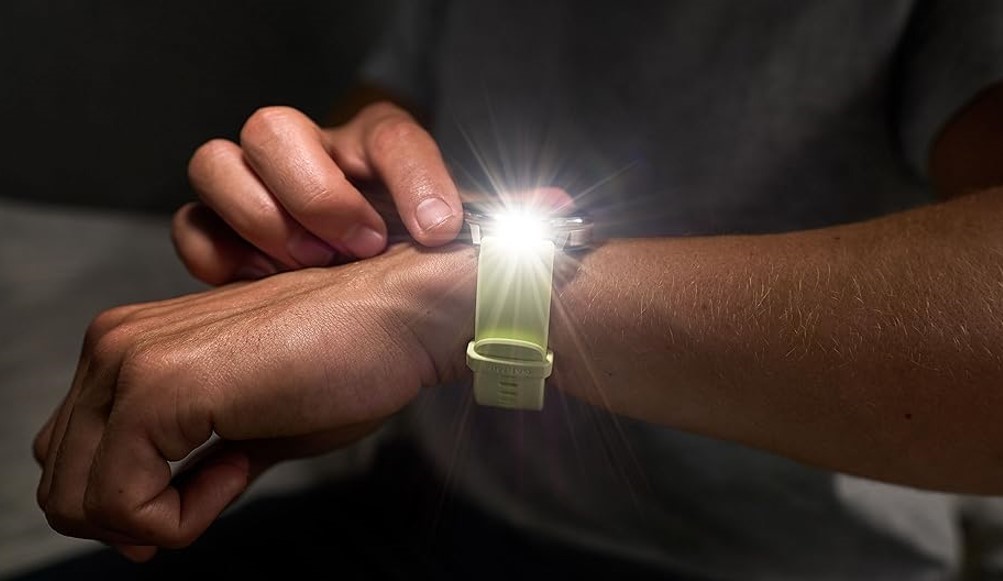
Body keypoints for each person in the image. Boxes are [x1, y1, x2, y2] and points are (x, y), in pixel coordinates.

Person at [31, 0, 1003, 578]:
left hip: (760, 559)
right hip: (429, 502)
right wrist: (316, 217)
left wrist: (440, 307)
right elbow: (378, 133)